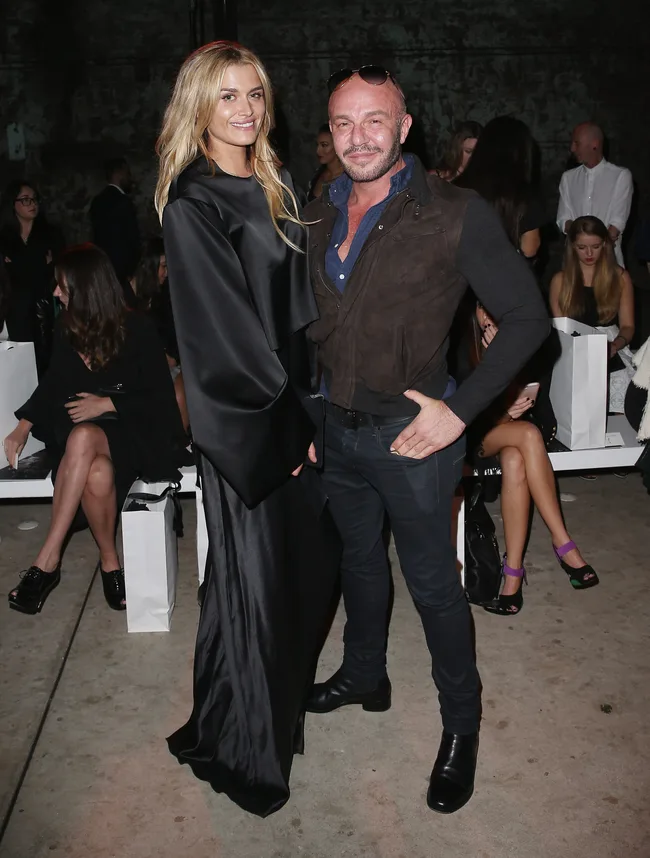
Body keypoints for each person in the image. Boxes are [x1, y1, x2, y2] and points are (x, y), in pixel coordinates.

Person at [304, 65, 550, 815]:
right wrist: (312, 418)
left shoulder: (455, 211)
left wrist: (462, 411)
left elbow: (528, 318)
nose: (358, 138)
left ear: (404, 127)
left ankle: (461, 730)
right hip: (338, 434)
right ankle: (366, 674)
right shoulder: (319, 208)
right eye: (344, 123)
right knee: (357, 562)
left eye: (374, 120)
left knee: (434, 587)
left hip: (415, 438)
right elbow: (313, 327)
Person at [155, 40, 340, 818]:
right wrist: (286, 428)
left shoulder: (275, 180)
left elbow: (298, 307)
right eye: (228, 96)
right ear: (199, 104)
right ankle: (251, 748)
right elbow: (221, 337)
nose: (245, 110)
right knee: (258, 585)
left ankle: (248, 713)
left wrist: (319, 394)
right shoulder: (193, 203)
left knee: (300, 573)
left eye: (255, 95)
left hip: (294, 401)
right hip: (251, 422)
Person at [3, 243, 186, 615]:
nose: (55, 292)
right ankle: (110, 563)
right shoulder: (65, 326)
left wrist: (110, 403)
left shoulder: (137, 328)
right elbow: (54, 382)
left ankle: (47, 560)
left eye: (63, 286)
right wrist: (22, 426)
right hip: (75, 437)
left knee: (86, 437)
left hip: (130, 429)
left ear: (85, 289)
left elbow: (161, 399)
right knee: (96, 470)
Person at [467, 303, 598, 615]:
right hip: (472, 435)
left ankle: (512, 575)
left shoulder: (514, 334)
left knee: (515, 458)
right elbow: (464, 409)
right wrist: (500, 413)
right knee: (528, 435)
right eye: (486, 308)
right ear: (477, 310)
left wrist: (508, 355)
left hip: (508, 433)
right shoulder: (462, 340)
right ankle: (563, 544)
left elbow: (529, 393)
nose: (493, 315)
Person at [550, 216, 635, 413]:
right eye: (582, 247)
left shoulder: (620, 277)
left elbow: (628, 326)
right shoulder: (560, 281)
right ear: (572, 246)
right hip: (573, 350)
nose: (589, 253)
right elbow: (560, 330)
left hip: (611, 346)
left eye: (595, 246)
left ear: (605, 244)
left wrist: (615, 345)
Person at [455, 116, 545, 259]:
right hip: (507, 276)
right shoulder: (523, 193)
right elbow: (529, 249)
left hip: (462, 275)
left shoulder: (458, 185)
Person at [0, 180, 64, 370]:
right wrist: (37, 264)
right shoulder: (5, 237)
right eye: (26, 200)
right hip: (15, 308)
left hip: (45, 305)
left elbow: (57, 268)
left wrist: (18, 264)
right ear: (13, 204)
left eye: (34, 199)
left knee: (46, 358)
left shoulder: (50, 234)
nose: (33, 204)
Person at [129, 237, 188, 432]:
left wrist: (172, 355)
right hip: (138, 368)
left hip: (165, 365)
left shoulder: (162, 296)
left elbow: (177, 335)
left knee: (182, 385)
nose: (167, 273)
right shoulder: (123, 297)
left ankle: (178, 442)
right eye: (163, 266)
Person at [557, 122, 632, 267]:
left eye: (576, 143)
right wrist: (581, 242)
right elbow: (563, 219)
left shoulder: (620, 176)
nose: (572, 148)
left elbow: (617, 223)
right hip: (575, 266)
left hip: (608, 264)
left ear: (595, 144)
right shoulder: (568, 177)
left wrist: (594, 249)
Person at [89, 157, 141, 285]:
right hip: (122, 271)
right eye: (127, 173)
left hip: (102, 269)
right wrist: (132, 269)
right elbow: (131, 238)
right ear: (119, 173)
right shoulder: (123, 202)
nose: (130, 178)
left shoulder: (97, 201)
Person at [307, 123, 344, 200]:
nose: (318, 151)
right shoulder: (318, 174)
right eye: (317, 145)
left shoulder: (349, 179)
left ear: (337, 146)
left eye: (324, 145)